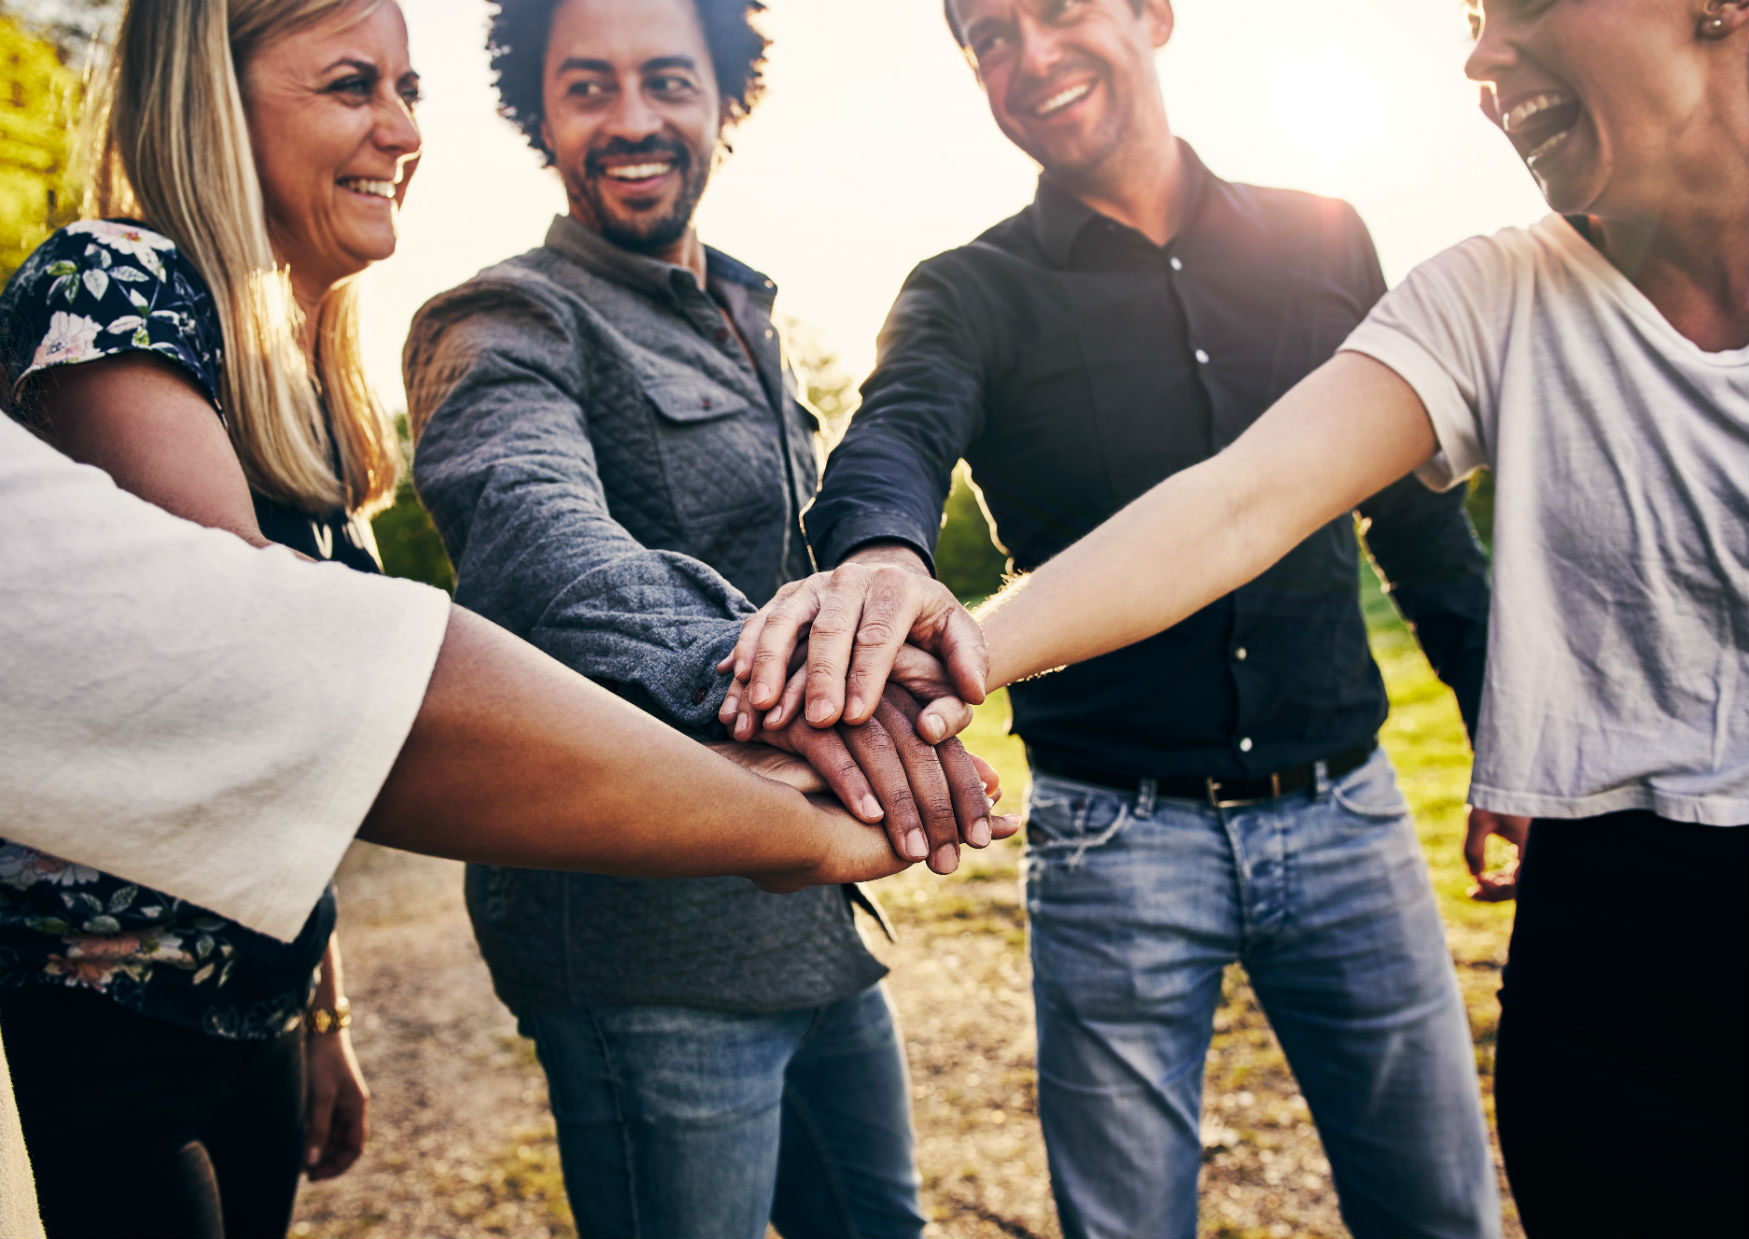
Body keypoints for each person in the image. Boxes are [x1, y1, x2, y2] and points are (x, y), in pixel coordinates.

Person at [731, 0, 1749, 1236]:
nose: (1030, 55)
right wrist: (893, 575)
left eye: (1057, 10)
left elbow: (1416, 528)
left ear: (1153, 14)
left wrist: (1510, 731)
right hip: (1117, 831)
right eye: (988, 36)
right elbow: (932, 438)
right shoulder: (970, 287)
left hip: (1347, 813)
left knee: (1438, 1206)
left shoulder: (1325, 235)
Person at [0, 410, 925, 1239]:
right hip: (654, 958)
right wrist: (756, 697)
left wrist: (326, 1011)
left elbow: (282, 755)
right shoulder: (506, 313)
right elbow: (503, 541)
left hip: (815, 938)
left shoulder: (304, 403)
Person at [401, 2, 1008, 1235]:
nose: (632, 120)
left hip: (814, 915)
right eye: (588, 87)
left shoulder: (748, 314)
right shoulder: (501, 318)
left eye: (667, 81)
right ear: (539, 113)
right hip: (641, 957)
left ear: (726, 99)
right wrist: (771, 672)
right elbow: (532, 535)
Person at [2, 0, 410, 1233]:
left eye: (409, 87)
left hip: (258, 1015)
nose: (401, 128)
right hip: (109, 1034)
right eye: (353, 84)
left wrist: (322, 1017)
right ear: (213, 102)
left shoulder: (291, 373)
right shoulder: (110, 283)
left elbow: (287, 790)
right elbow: (270, 692)